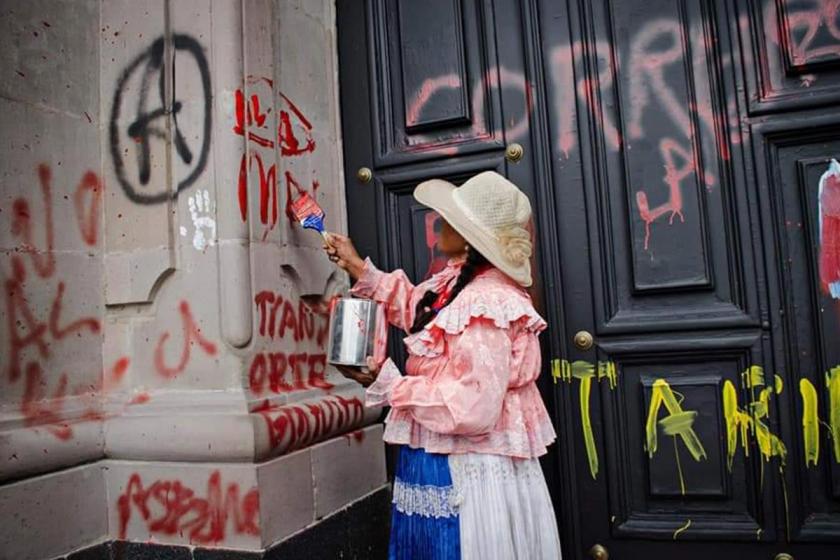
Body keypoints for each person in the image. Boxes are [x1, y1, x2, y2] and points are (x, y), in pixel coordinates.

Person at [325, 171, 562, 559]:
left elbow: (474, 408)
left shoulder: (485, 302)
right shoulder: (458, 285)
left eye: (450, 219)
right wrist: (356, 266)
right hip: (444, 457)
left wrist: (390, 384)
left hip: (468, 468)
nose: (439, 225)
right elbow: (418, 310)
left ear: (469, 238)